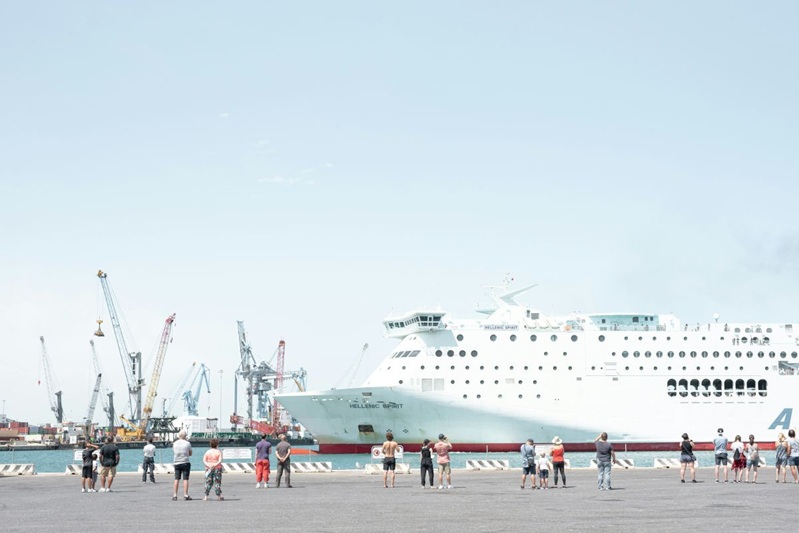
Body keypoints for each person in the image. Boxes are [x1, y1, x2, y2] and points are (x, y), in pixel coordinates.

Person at [172, 430, 193, 500]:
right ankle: (185, 495)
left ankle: (175, 495)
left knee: (176, 479)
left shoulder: (174, 443)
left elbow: (174, 452)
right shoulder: (188, 443)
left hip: (176, 462)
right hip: (185, 462)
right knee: (185, 479)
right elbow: (190, 453)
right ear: (185, 436)